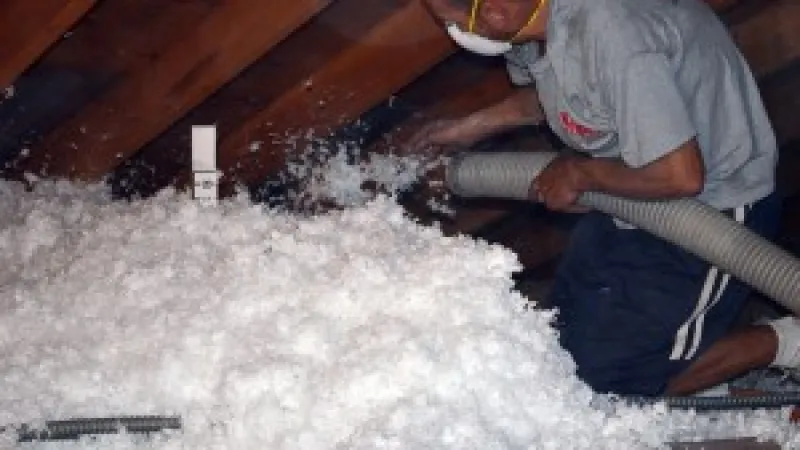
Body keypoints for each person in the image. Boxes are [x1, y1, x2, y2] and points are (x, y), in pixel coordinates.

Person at [411, 0, 797, 397]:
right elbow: (563, 91)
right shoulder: (536, 20)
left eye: (452, 24)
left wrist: (580, 173)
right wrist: (470, 128)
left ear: (494, 12)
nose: (454, 34)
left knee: (616, 388)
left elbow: (680, 175)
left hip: (712, 212)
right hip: (628, 190)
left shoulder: (616, 31)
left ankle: (786, 341)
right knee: (560, 349)